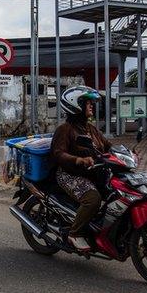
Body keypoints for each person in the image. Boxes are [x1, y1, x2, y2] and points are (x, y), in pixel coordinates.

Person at [50, 86, 111, 252]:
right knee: (93, 199)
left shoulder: (91, 129)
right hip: (69, 174)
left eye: (92, 103)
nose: (92, 105)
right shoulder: (65, 129)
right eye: (87, 103)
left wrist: (127, 154)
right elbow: (58, 153)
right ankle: (75, 234)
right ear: (75, 105)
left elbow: (107, 146)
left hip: (91, 174)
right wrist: (78, 159)